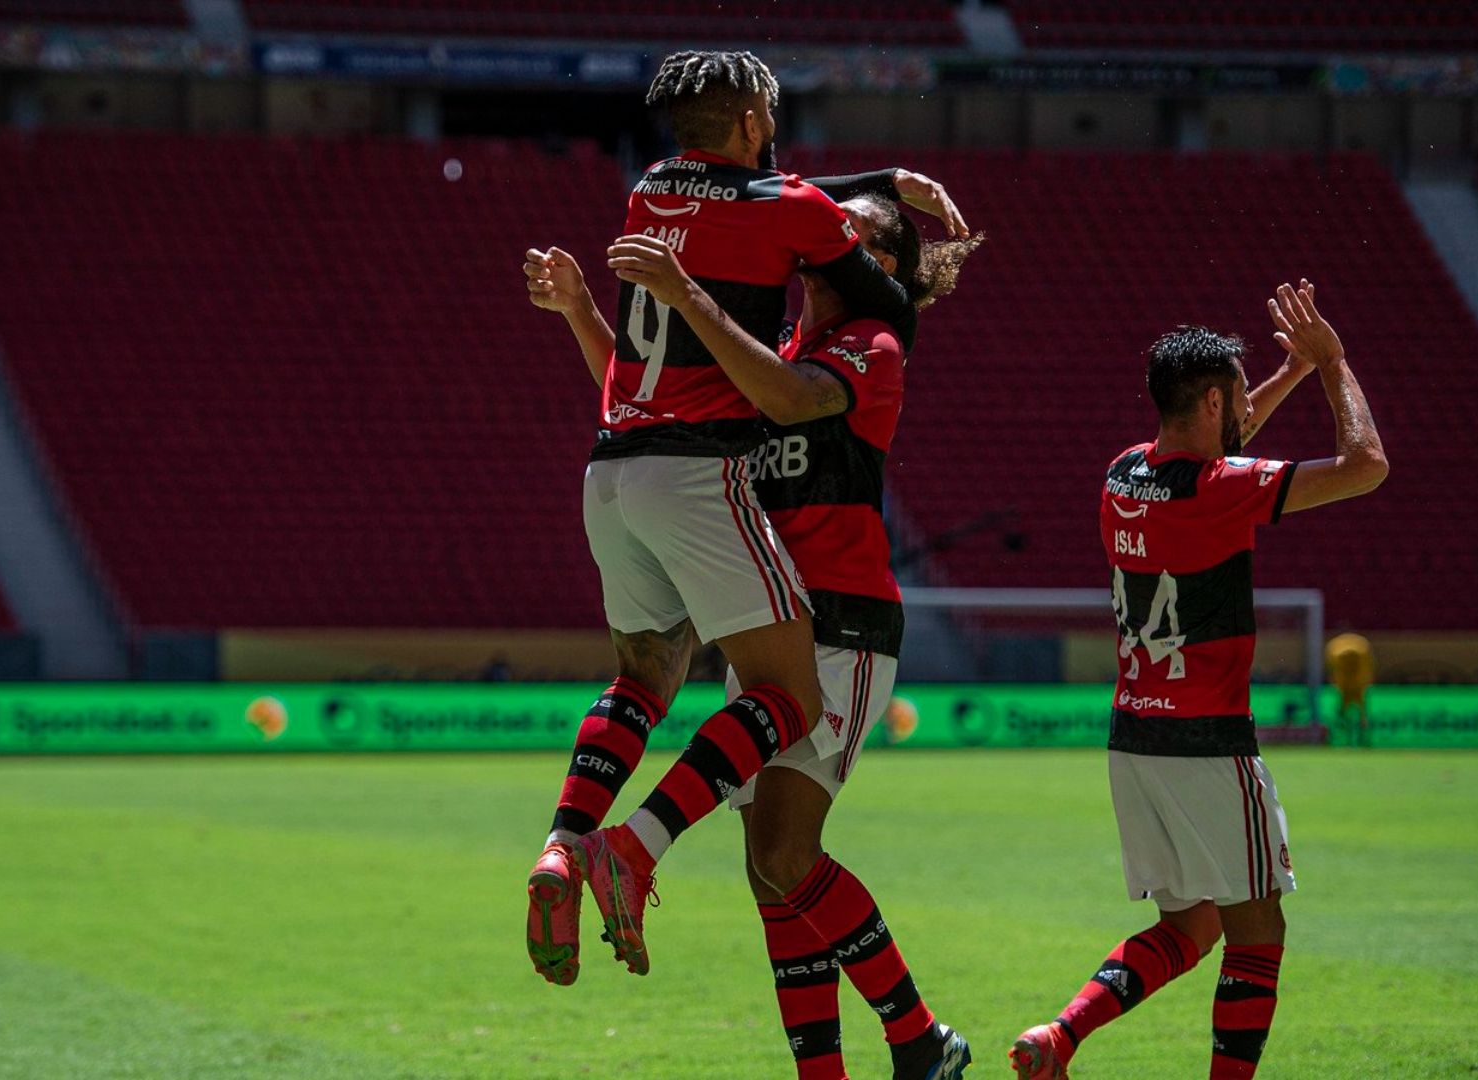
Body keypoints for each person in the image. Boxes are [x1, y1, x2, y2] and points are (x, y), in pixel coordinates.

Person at [522, 47, 970, 988]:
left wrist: (884, 183)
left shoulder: (651, 191)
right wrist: (891, 225)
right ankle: (630, 850)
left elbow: (767, 197)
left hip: (612, 468)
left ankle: (563, 845)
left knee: (644, 675)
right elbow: (853, 263)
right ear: (754, 120)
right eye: (769, 112)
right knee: (786, 698)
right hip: (692, 472)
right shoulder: (798, 235)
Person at [1009, 280, 1388, 1080]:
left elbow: (1223, 443)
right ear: (1216, 400)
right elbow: (1365, 465)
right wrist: (1330, 364)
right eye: (1240, 395)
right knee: (1258, 934)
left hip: (1135, 737)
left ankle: (1061, 1034)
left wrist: (1274, 375)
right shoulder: (1221, 492)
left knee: (1189, 928)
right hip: (1210, 740)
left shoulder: (1121, 474)